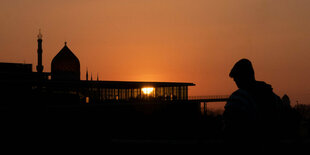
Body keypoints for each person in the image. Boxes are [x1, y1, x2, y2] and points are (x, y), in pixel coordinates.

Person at [223, 59, 284, 152]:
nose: (235, 81)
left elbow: (229, 126)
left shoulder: (239, 97)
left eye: (235, 78)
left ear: (241, 76)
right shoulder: (271, 95)